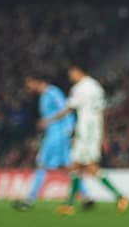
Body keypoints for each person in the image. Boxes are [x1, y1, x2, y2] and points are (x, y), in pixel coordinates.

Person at [40, 65, 129, 215]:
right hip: (94, 130)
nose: (70, 77)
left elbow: (69, 108)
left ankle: (120, 197)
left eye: (71, 74)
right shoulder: (97, 87)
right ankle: (70, 204)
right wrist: (103, 135)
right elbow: (101, 112)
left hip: (85, 130)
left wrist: (49, 120)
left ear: (78, 71)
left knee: (89, 166)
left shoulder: (80, 88)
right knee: (75, 166)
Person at [13, 74, 91, 211]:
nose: (27, 87)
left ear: (36, 81)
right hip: (57, 134)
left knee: (41, 164)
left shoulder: (52, 93)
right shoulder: (44, 96)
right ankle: (86, 197)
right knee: (70, 166)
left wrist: (66, 129)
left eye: (29, 83)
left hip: (57, 136)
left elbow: (66, 110)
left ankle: (29, 200)